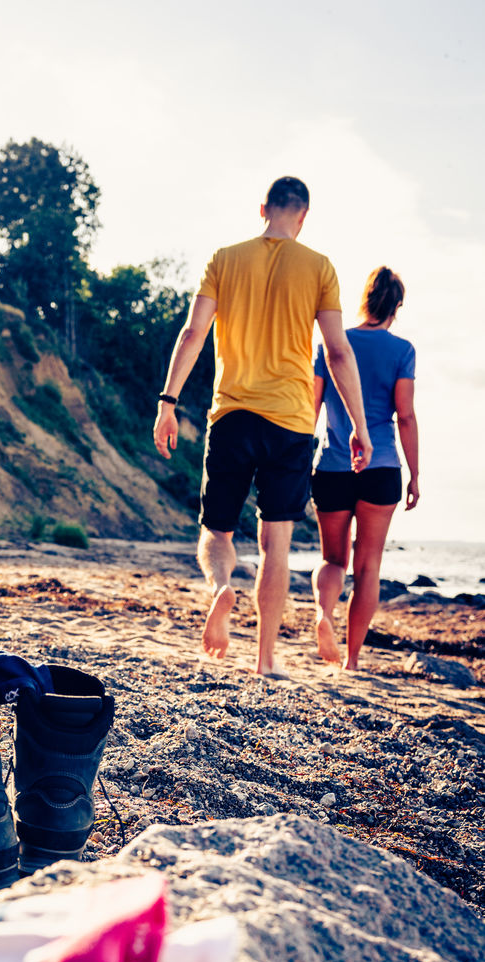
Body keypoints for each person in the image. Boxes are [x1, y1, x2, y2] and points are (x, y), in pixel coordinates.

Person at [154, 176, 373, 676]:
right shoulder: (320, 267)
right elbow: (338, 352)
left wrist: (168, 402)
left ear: (263, 209)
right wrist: (360, 426)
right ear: (303, 216)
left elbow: (192, 333)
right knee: (275, 542)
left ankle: (221, 589)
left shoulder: (224, 259)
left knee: (216, 530)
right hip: (291, 422)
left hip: (232, 414)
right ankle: (266, 657)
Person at [310, 266, 419, 672]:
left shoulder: (333, 343)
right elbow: (405, 416)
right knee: (368, 566)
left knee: (332, 559)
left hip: (334, 464)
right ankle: (352, 661)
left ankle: (325, 614)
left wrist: (301, 456)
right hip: (382, 465)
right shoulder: (402, 350)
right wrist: (416, 474)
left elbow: (313, 405)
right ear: (397, 306)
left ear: (366, 299)